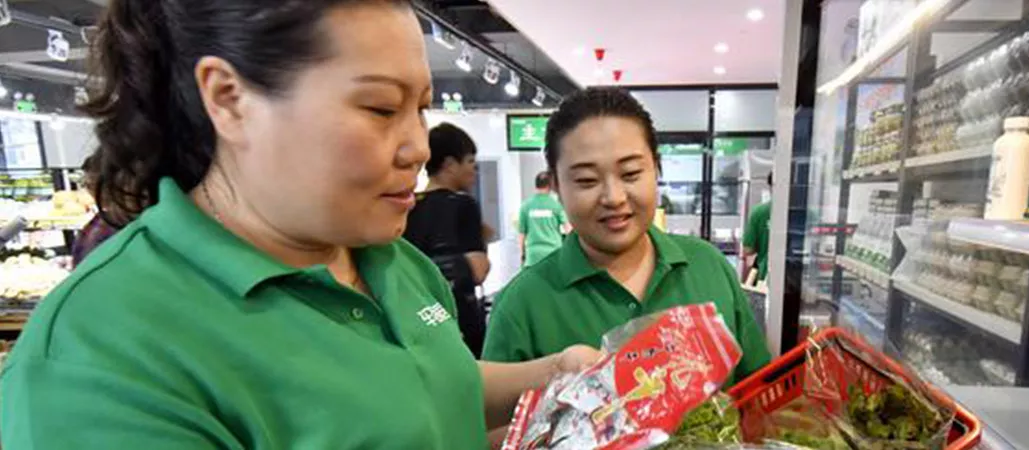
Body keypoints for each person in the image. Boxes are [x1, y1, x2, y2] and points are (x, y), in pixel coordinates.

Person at [0, 1, 599, 448]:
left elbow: (429, 387)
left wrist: (556, 374)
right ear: (228, 98)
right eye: (381, 108)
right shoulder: (101, 354)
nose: (418, 146)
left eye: (421, 108)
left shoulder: (394, 263)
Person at [482, 87, 772, 382]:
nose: (614, 197)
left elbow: (759, 387)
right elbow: (492, 411)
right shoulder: (522, 304)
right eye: (587, 180)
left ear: (656, 168)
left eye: (631, 173)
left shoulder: (709, 266)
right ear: (556, 185)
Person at [403, 123, 491, 356]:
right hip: (459, 318)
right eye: (470, 162)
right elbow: (478, 270)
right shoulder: (463, 205)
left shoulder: (407, 208)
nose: (474, 171)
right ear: (450, 164)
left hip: (417, 319)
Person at [517, 170, 568, 267]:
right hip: (553, 252)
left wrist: (522, 254)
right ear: (550, 186)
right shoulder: (556, 205)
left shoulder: (526, 206)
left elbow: (521, 234)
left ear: (536, 185)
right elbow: (568, 229)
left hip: (533, 255)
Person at [742, 173, 773, 283]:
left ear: (771, 187)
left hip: (766, 275)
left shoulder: (759, 212)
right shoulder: (809, 214)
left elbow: (748, 249)